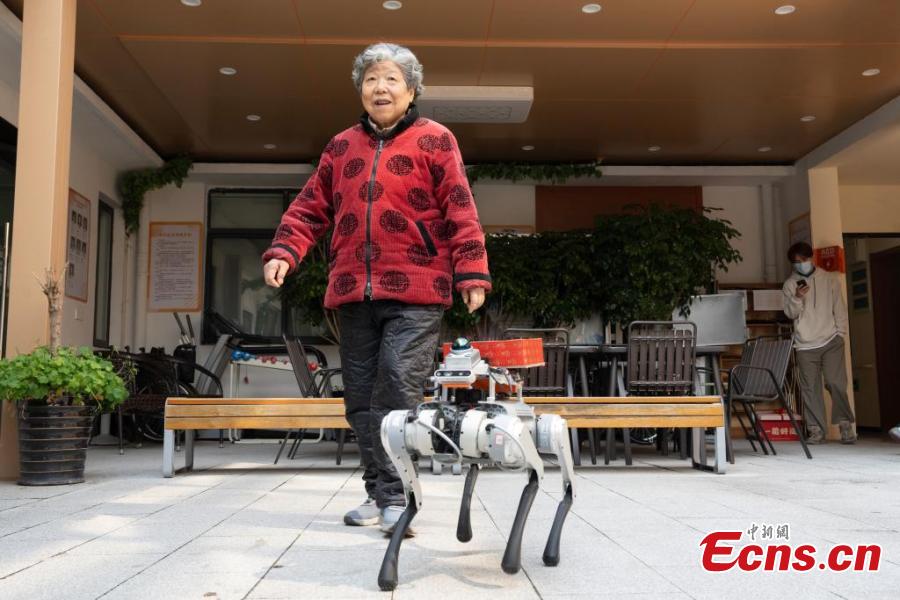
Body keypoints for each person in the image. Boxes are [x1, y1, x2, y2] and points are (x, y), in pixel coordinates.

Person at [262, 43, 491, 535]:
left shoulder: (436, 140)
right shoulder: (341, 145)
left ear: (411, 89)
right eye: (370, 80)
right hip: (351, 289)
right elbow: (310, 207)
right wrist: (285, 250)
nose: (379, 88)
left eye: (390, 79)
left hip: (417, 289)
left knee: (394, 390)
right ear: (360, 90)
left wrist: (471, 272)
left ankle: (398, 498)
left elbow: (460, 208)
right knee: (360, 400)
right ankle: (378, 491)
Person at [782, 242, 855, 444]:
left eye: (802, 261)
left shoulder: (829, 279)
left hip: (831, 340)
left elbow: (839, 308)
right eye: (796, 263)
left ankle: (845, 425)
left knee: (835, 383)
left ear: (810, 258)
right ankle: (816, 430)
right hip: (805, 344)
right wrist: (797, 298)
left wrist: (840, 333)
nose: (800, 265)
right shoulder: (790, 284)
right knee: (809, 388)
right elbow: (790, 313)